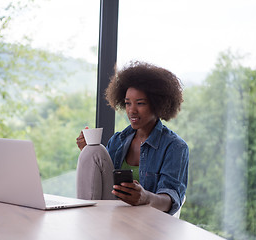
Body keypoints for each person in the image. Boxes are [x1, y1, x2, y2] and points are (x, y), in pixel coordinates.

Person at [76, 61, 189, 215]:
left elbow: (171, 199)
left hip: (148, 223)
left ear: (158, 105)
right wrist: (87, 151)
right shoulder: (118, 141)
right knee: (92, 151)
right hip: (112, 216)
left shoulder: (174, 147)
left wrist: (146, 197)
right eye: (128, 103)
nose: (132, 110)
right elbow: (100, 185)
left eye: (140, 103)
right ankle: (86, 222)